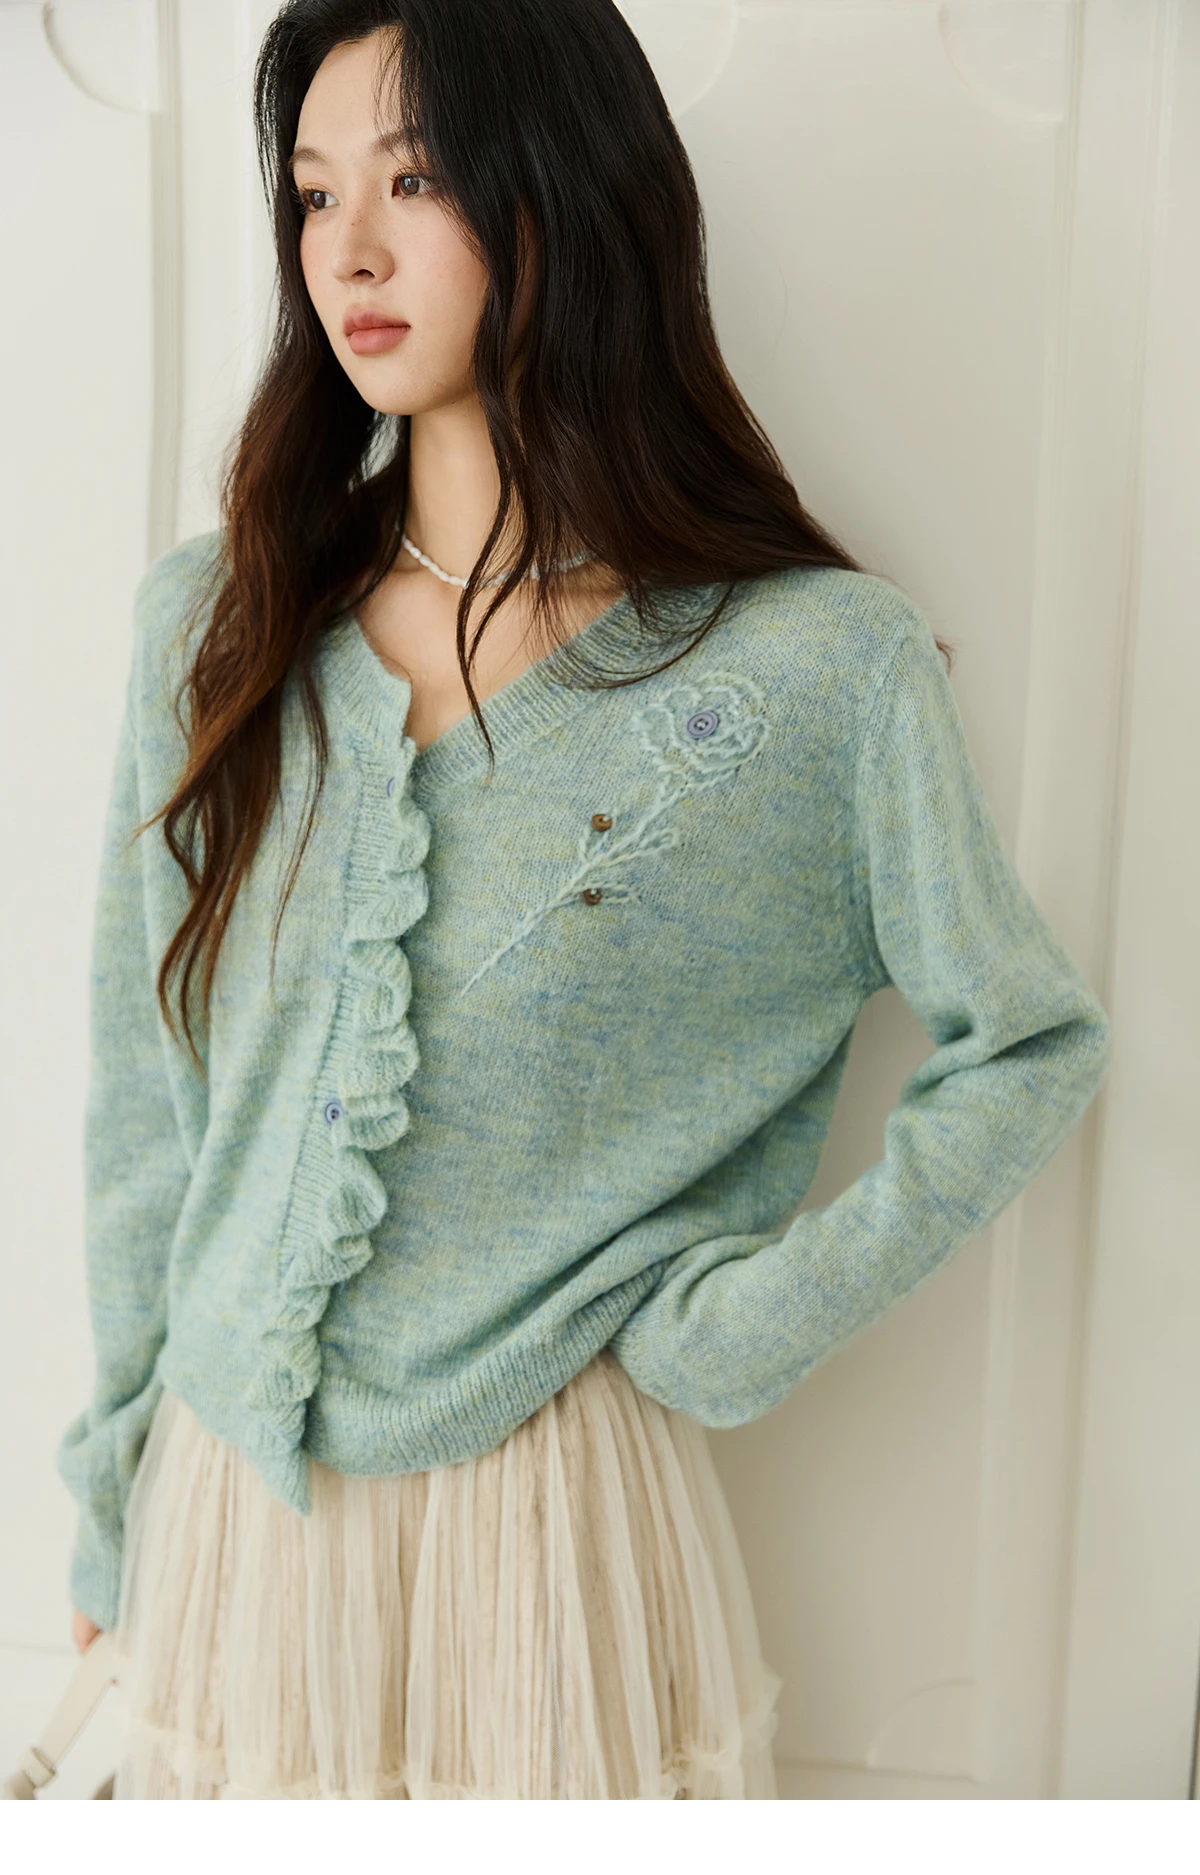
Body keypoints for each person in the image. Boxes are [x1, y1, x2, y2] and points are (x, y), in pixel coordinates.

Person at [56, 0, 1111, 1800]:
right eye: (313, 193)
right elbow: (151, 1104)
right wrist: (112, 1491)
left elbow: (1028, 1041)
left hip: (545, 1532)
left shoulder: (813, 675)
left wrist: (751, 1320)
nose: (348, 250)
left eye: (414, 180)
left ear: (558, 193)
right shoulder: (220, 627)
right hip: (234, 1512)